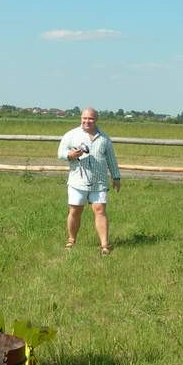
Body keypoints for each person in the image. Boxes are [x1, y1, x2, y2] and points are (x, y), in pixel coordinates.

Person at [57, 107, 121, 255]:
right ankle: (71, 240)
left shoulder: (104, 138)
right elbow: (60, 153)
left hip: (99, 182)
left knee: (100, 210)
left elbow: (111, 159)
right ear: (81, 119)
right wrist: (70, 154)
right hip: (77, 181)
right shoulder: (71, 135)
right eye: (85, 118)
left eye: (91, 118)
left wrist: (116, 177)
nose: (87, 121)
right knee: (75, 211)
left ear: (96, 120)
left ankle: (105, 245)